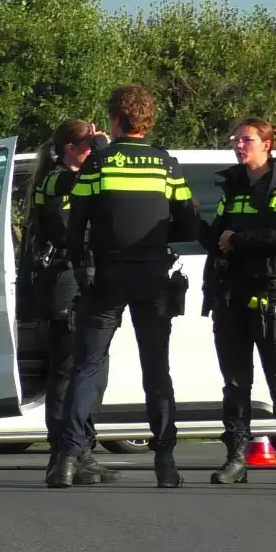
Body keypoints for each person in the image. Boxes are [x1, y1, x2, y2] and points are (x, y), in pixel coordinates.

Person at [50, 85, 199, 489]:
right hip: (152, 277)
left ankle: (67, 458)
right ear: (147, 119)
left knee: (87, 366)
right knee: (156, 370)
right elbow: (188, 222)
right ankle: (165, 464)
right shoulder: (166, 165)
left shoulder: (99, 164)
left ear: (115, 120)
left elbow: (76, 222)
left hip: (105, 277)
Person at [199, 119, 276, 485]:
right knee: (234, 383)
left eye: (246, 139)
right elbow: (216, 235)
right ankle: (236, 458)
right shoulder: (231, 187)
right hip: (231, 293)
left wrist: (238, 239)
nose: (238, 144)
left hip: (273, 293)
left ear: (267, 144)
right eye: (236, 139)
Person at [22, 118, 116, 485]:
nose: (94, 149)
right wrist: (106, 146)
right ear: (72, 149)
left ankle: (75, 453)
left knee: (84, 371)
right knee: (72, 370)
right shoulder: (61, 178)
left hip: (74, 283)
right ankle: (67, 453)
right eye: (89, 143)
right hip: (67, 284)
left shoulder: (63, 176)